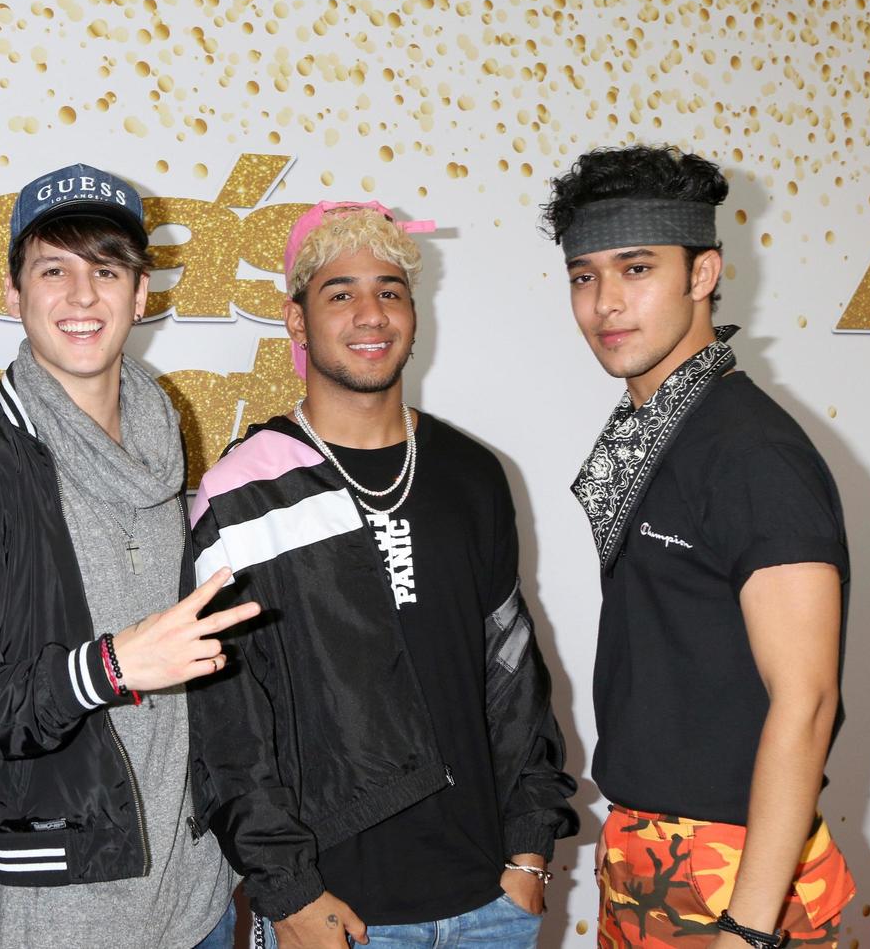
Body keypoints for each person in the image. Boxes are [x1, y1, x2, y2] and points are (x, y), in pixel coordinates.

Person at [187, 200, 578, 949]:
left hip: (490, 904)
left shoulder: (472, 474)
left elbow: (513, 673)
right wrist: (290, 893)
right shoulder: (246, 491)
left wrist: (529, 851)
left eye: (390, 291)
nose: (371, 314)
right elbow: (227, 725)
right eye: (341, 293)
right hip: (339, 914)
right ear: (297, 322)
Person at [0, 164, 258, 949]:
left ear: (141, 294)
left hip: (195, 895)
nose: (81, 296)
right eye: (53, 270)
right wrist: (107, 669)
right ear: (13, 292)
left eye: (105, 270)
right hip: (64, 909)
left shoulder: (163, 435)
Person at [543, 144, 857, 948]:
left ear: (703, 274)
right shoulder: (655, 431)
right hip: (651, 854)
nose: (606, 303)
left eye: (637, 268)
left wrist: (748, 931)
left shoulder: (753, 452)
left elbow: (808, 698)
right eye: (585, 276)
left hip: (734, 871)